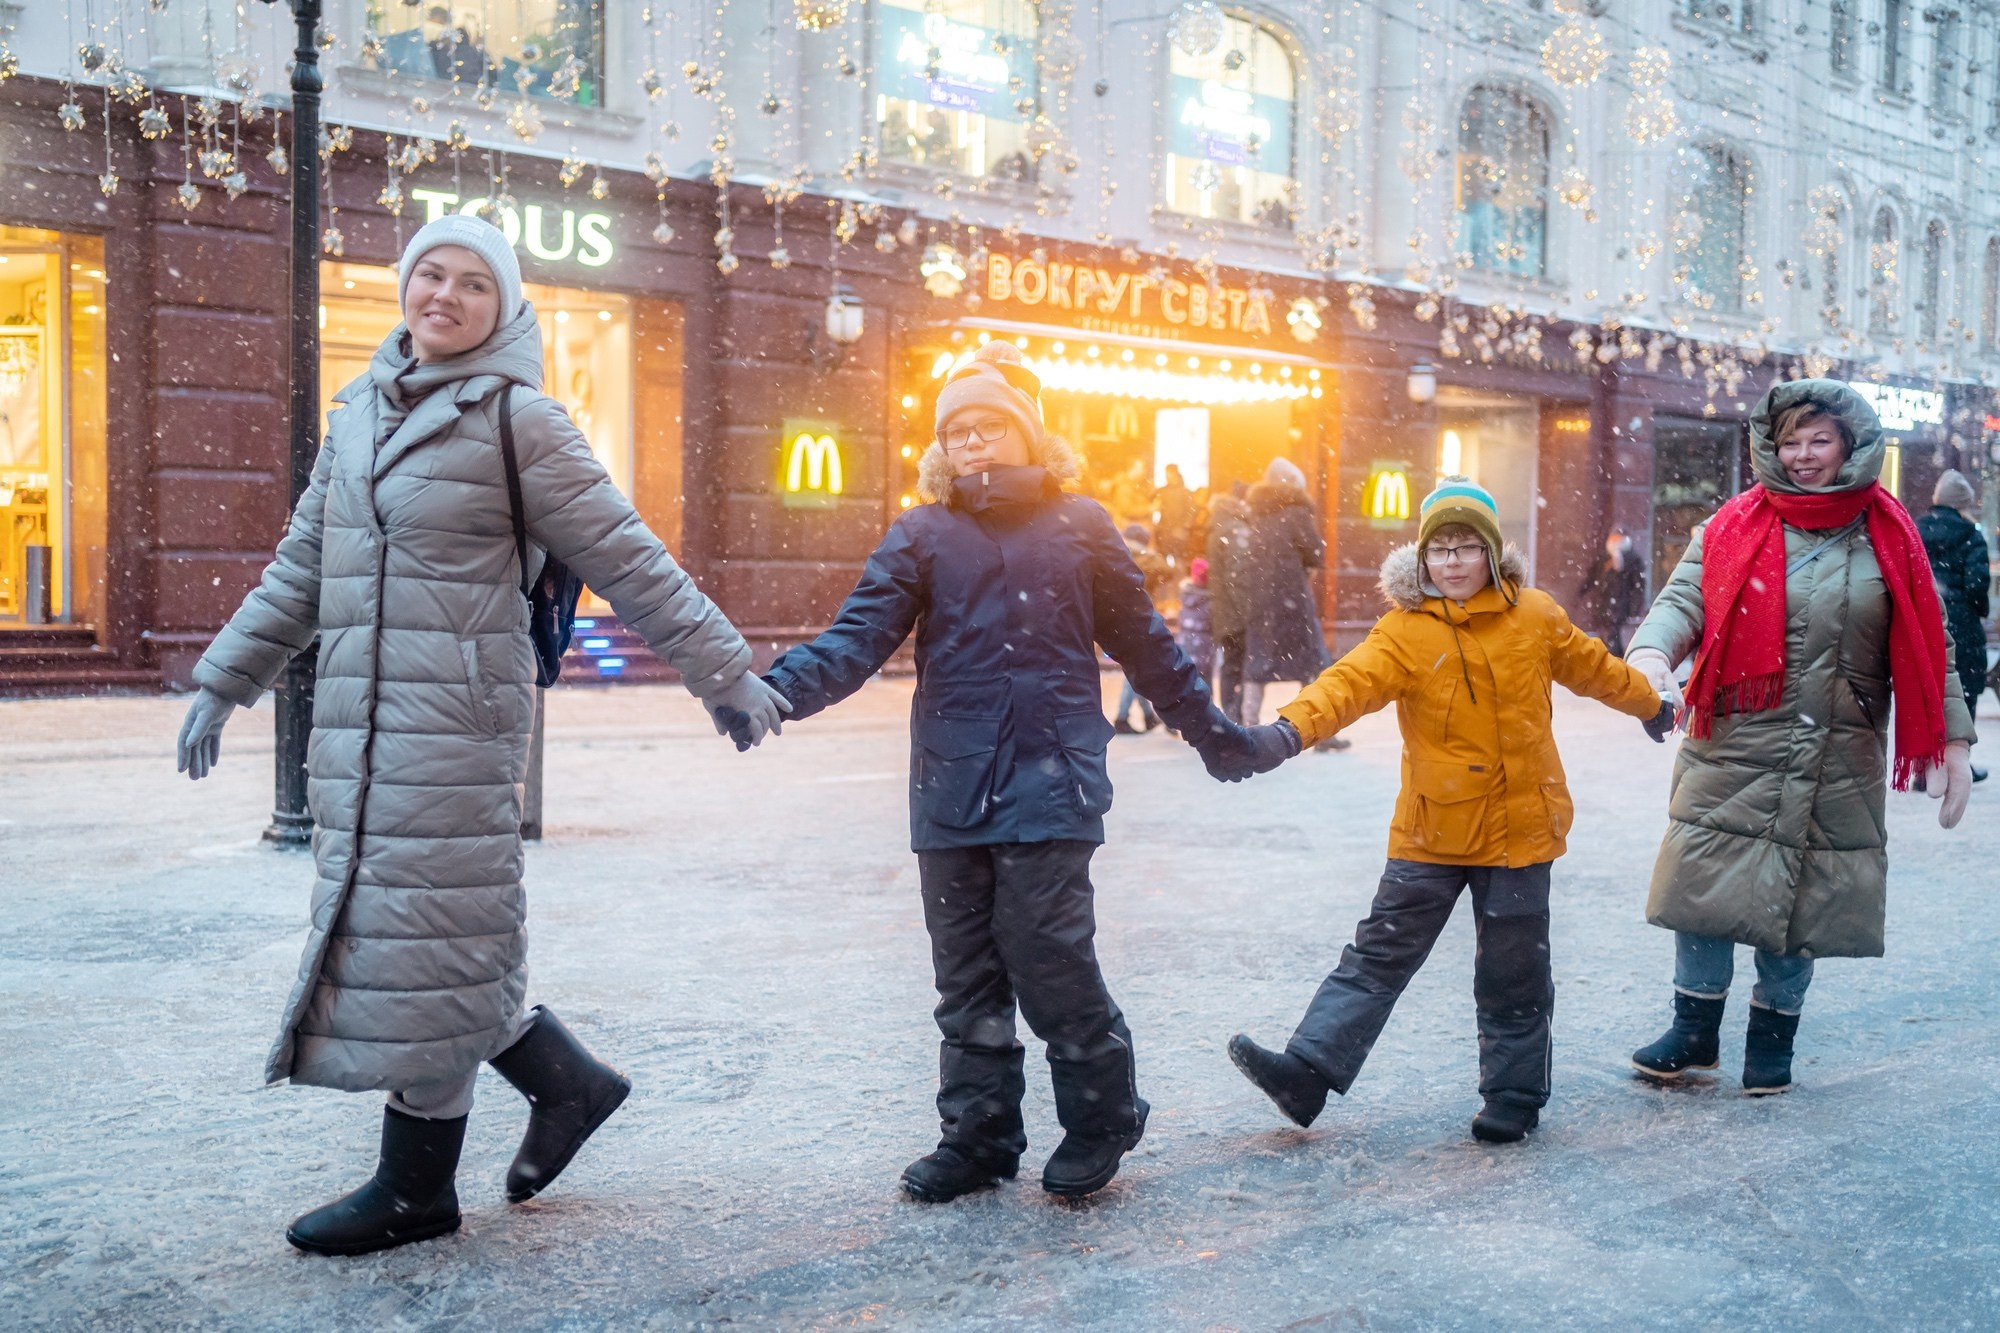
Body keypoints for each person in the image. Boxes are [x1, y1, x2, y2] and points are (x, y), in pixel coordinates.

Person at [173, 216, 787, 1256]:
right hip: (360, 733)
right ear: (405, 289)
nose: (445, 296)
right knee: (422, 942)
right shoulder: (358, 414)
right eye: (430, 275)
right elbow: (301, 571)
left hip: (455, 730)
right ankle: (570, 1086)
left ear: (503, 311)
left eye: (472, 284)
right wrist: (223, 682)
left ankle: (416, 1189)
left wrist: (722, 670)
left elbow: (627, 556)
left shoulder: (520, 421)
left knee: (433, 941)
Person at [747, 342, 1245, 1202]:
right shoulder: (922, 534)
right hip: (952, 780)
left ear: (1027, 434)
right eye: (958, 431)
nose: (973, 442)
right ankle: (978, 1138)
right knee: (967, 970)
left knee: (1048, 955)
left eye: (990, 425)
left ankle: (1101, 1114)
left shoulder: (1081, 525)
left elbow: (1147, 646)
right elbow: (856, 638)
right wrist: (773, 691)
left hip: (1054, 779)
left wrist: (1212, 732)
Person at [1215, 479, 1667, 1143]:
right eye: (1440, 549)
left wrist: (1651, 705)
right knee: (1376, 955)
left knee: (1512, 970)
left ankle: (1512, 1096)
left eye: (1466, 546)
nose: (1452, 561)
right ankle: (1305, 1074)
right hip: (1432, 827)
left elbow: (1596, 667)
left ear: (1490, 553)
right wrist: (1283, 733)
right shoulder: (1403, 631)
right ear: (1422, 559)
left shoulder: (1535, 615)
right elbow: (1344, 686)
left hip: (1519, 828)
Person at [1624, 380, 1977, 1095]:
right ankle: (1693, 1030)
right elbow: (1684, 598)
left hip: (1837, 748)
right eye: (1791, 440)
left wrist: (1955, 745)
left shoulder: (1890, 534)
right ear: (1771, 446)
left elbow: (1929, 647)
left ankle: (1771, 1039)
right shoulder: (1734, 522)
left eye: (1820, 439)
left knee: (1802, 897)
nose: (1804, 454)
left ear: (1850, 444)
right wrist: (1651, 654)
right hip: (1733, 738)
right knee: (1705, 881)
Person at [1241, 457, 1348, 749]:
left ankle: (1248, 730)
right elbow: (1315, 552)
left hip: (1261, 601)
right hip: (1292, 599)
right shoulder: (1297, 512)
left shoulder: (1256, 514)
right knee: (1313, 665)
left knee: (1257, 666)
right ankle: (1319, 729)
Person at [1917, 469, 1990, 783]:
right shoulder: (1972, 535)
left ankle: (1923, 769)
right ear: (1963, 503)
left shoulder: (1914, 530)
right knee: (1964, 695)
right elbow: (1977, 585)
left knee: (1924, 695)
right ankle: (1959, 765)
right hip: (1961, 626)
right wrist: (1976, 611)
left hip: (1922, 624)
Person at [1113, 523, 1171, 733]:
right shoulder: (1145, 558)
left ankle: (1147, 716)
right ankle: (1122, 717)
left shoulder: (1115, 553)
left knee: (1137, 668)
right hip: (1137, 619)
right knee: (1136, 670)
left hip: (1118, 618)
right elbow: (1165, 568)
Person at [1206, 482, 1253, 722]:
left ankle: (1231, 718)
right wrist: (1249, 614)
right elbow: (1240, 575)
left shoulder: (1218, 527)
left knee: (1230, 665)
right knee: (1240, 666)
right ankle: (1236, 718)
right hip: (1236, 613)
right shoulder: (1236, 530)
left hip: (1223, 612)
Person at [1575, 526, 1646, 656]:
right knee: (1605, 635)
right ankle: (1610, 662)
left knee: (1614, 636)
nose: (1615, 540)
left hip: (1621, 606)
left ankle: (1615, 662)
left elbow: (1638, 586)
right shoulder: (1604, 557)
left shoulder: (1633, 558)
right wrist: (1581, 591)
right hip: (1603, 604)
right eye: (1613, 537)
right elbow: (1592, 576)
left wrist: (1634, 608)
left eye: (1618, 537)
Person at [1178, 556, 1216, 693]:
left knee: (1187, 681)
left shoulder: (1185, 595)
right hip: (1205, 643)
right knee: (1205, 682)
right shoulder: (1211, 598)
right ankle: (1206, 711)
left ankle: (1187, 710)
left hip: (1186, 641)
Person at [1153, 463, 1196, 562]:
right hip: (1165, 529)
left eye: (1170, 474)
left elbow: (1191, 511)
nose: (1168, 477)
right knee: (1164, 558)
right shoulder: (1162, 491)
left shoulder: (1185, 492)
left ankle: (1176, 576)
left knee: (1179, 558)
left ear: (1176, 474)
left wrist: (1184, 526)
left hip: (1177, 530)